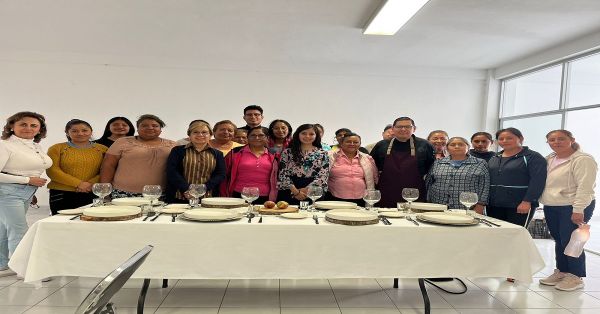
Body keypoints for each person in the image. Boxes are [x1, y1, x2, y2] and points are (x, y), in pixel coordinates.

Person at [539, 130, 597, 291]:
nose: (556, 142)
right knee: (559, 240)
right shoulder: (550, 159)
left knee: (572, 241)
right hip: (552, 205)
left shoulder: (583, 160)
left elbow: (586, 187)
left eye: (561, 139)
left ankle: (576, 277)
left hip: (574, 205)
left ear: (571, 140)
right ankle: (563, 271)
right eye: (552, 139)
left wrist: (578, 209)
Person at [0, 112, 52, 277]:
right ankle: (25, 270)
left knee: (5, 228)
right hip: (7, 192)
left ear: (39, 129)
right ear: (11, 126)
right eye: (23, 124)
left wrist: (29, 185)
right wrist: (28, 180)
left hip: (26, 192)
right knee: (19, 230)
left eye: (33, 125)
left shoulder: (34, 145)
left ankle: (2, 265)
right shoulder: (5, 145)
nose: (28, 128)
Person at [100, 114, 176, 198]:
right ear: (138, 128)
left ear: (160, 129)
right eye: (144, 125)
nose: (150, 128)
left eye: (155, 126)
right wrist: (105, 190)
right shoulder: (122, 142)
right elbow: (108, 165)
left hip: (161, 194)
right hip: (123, 193)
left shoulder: (173, 145)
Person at [487, 127, 547, 227]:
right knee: (496, 235)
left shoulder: (533, 157)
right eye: (501, 139)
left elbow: (538, 182)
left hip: (519, 205)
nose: (505, 141)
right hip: (494, 205)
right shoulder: (494, 157)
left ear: (521, 138)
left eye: (509, 138)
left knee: (515, 236)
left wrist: (527, 201)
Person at [46, 119, 108, 214]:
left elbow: (107, 170)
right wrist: (79, 183)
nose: (80, 133)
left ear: (91, 132)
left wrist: (91, 183)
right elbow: (53, 171)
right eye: (74, 131)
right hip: (62, 193)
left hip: (93, 191)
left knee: (91, 222)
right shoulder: (56, 148)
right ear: (67, 133)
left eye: (84, 130)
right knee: (61, 223)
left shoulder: (102, 149)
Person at [370, 117, 435, 207]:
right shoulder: (382, 145)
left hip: (414, 194)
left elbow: (431, 169)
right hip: (387, 193)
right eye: (399, 127)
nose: (403, 129)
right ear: (393, 129)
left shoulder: (424, 145)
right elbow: (372, 168)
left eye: (407, 126)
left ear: (414, 129)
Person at [166, 121, 226, 203]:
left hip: (207, 197)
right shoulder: (177, 151)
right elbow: (172, 172)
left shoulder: (217, 154)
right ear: (189, 135)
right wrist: (187, 189)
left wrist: (203, 188)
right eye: (195, 132)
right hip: (181, 196)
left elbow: (221, 174)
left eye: (204, 132)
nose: (200, 135)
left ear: (210, 135)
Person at [425, 137, 489, 212]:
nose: (457, 146)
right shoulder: (438, 162)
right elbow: (428, 183)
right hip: (438, 206)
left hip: (468, 208)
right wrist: (428, 201)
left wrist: (480, 206)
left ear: (468, 147)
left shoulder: (480, 163)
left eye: (461, 144)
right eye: (452, 145)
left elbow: (485, 186)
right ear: (447, 148)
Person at [221, 127, 278, 203]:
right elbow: (224, 175)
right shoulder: (235, 153)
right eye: (253, 135)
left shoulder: (275, 155)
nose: (257, 138)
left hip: (266, 197)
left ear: (267, 138)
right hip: (238, 195)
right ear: (247, 137)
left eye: (261, 135)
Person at [277, 124, 329, 205]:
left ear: (316, 136)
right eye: (304, 133)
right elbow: (283, 174)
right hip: (290, 189)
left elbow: (323, 175)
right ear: (298, 134)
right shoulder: (287, 152)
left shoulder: (323, 153)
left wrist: (306, 190)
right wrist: (295, 191)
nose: (307, 136)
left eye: (311, 134)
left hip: (314, 191)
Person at [326, 133, 378, 206]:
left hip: (361, 199)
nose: (352, 144)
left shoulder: (367, 158)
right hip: (334, 198)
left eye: (356, 142)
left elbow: (375, 178)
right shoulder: (330, 156)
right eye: (348, 142)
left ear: (360, 144)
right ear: (341, 143)